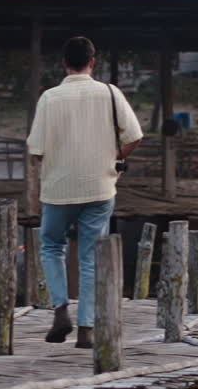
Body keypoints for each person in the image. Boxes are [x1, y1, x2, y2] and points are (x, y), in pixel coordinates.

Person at [26, 35, 142, 349]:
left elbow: (36, 149)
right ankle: (86, 329)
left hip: (58, 190)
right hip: (99, 187)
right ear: (93, 62)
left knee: (52, 246)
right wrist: (115, 157)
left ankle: (61, 309)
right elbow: (134, 136)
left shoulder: (50, 98)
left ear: (64, 63)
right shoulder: (111, 93)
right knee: (90, 257)